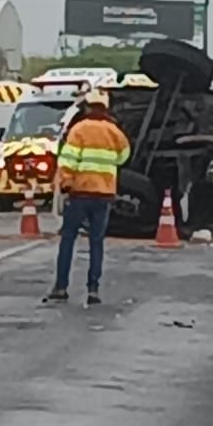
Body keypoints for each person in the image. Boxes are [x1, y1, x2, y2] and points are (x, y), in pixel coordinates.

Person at [44, 88, 130, 305]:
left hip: (80, 192)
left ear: (89, 106)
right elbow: (123, 157)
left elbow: (68, 162)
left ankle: (61, 287)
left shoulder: (79, 129)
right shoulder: (115, 132)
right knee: (96, 242)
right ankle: (93, 290)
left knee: (68, 239)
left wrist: (64, 186)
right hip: (104, 194)